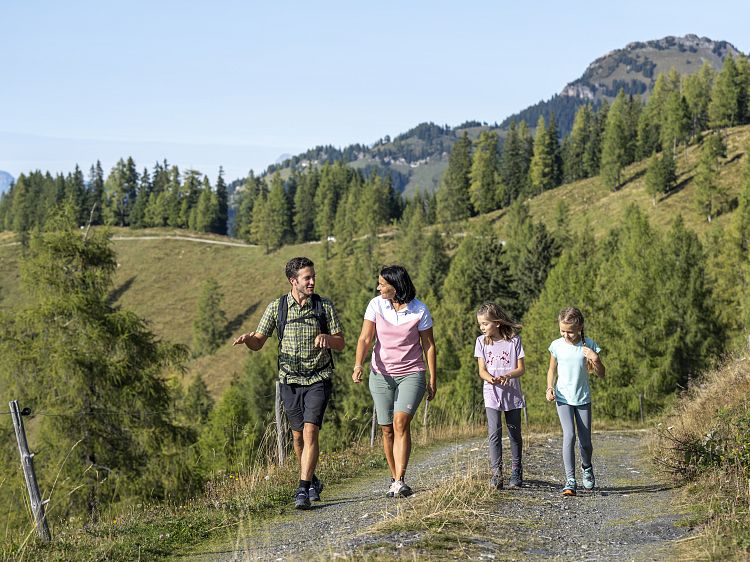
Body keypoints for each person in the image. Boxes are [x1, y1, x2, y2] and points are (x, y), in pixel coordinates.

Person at [233, 257, 344, 510]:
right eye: (307, 278)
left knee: (310, 431)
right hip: (289, 381)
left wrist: (328, 338)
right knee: (297, 438)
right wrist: (249, 339)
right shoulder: (277, 308)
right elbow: (259, 342)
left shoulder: (323, 306)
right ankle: (312, 479)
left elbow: (341, 342)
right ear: (293, 281)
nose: (312, 281)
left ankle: (303, 489)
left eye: (313, 276)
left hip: (318, 377)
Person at [352, 265, 437, 498]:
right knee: (387, 428)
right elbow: (365, 337)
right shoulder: (376, 305)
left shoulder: (419, 310)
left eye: (382, 283)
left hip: (412, 373)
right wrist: (358, 364)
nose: (378, 287)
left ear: (396, 286)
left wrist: (433, 378)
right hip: (381, 374)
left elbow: (428, 346)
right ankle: (394, 479)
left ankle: (400, 479)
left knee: (400, 422)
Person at [546, 306, 605, 496]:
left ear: (580, 327)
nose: (566, 335)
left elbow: (602, 374)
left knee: (585, 442)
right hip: (563, 398)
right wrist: (549, 388)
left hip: (582, 399)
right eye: (562, 330)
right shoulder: (556, 345)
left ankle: (586, 467)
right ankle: (570, 480)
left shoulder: (589, 345)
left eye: (570, 331)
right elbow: (551, 370)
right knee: (569, 435)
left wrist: (595, 359)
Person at [474, 302, 525, 490]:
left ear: (496, 322)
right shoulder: (481, 342)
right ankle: (497, 473)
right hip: (491, 393)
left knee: (514, 433)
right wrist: (491, 378)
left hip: (512, 393)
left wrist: (507, 375)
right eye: (480, 324)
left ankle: (516, 471)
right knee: (494, 432)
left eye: (485, 324)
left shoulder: (514, 340)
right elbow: (481, 369)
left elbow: (521, 368)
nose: (482, 328)